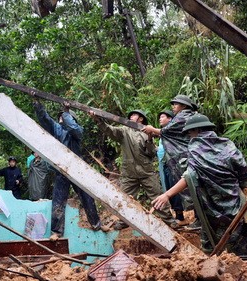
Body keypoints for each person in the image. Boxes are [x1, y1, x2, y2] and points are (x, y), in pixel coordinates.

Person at [152, 114, 247, 255]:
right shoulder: (227, 144)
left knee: (215, 239)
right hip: (235, 199)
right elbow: (242, 168)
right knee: (241, 234)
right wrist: (242, 186)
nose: (189, 136)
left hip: (212, 204)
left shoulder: (195, 148)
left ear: (197, 130)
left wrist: (167, 194)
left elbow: (189, 176)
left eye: (190, 132)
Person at [89, 109, 178, 229]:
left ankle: (169, 221)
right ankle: (124, 221)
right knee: (125, 198)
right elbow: (109, 130)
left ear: (141, 119)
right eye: (130, 115)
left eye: (134, 115)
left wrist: (150, 139)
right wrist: (98, 120)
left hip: (146, 171)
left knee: (157, 196)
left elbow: (151, 153)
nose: (131, 116)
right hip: (129, 172)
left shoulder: (147, 132)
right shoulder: (124, 131)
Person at [33, 100, 107, 240]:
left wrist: (66, 113)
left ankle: (96, 224)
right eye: (61, 116)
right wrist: (37, 104)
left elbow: (74, 128)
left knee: (87, 197)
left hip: (76, 169)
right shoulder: (57, 129)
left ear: (72, 118)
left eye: (64, 116)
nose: (61, 118)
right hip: (61, 168)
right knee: (58, 200)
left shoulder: (77, 130)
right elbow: (45, 119)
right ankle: (57, 232)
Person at [142, 95, 198, 228]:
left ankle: (200, 220)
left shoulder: (183, 116)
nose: (173, 106)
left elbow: (166, 131)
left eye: (176, 104)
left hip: (185, 159)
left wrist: (152, 129)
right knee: (192, 188)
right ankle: (198, 219)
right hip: (186, 159)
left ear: (184, 106)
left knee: (192, 188)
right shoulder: (190, 115)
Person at [157, 110, 187, 225]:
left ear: (170, 119)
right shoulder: (164, 134)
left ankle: (180, 216)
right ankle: (177, 214)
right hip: (165, 164)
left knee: (175, 189)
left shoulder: (171, 131)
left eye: (163, 116)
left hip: (174, 165)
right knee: (169, 187)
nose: (160, 119)